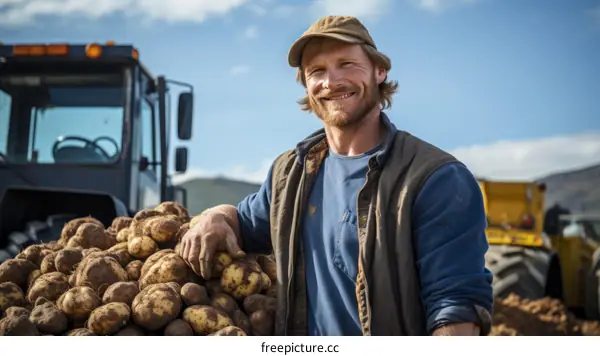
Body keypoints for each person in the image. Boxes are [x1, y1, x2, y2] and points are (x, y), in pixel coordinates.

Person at [179, 15, 494, 336]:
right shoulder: (291, 174)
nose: (331, 81)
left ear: (379, 71)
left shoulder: (434, 178)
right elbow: (245, 223)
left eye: (347, 64)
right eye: (317, 71)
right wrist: (216, 216)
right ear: (306, 83)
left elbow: (456, 309)